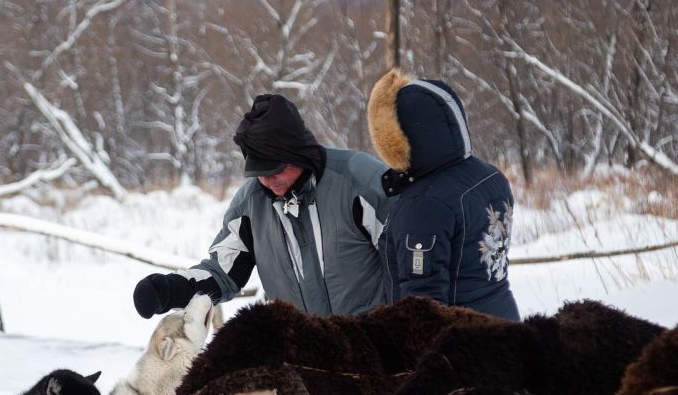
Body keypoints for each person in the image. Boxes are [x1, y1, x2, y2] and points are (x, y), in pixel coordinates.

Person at [133, 94, 393, 319]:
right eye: (258, 172)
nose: (267, 180)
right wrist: (169, 289)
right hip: (300, 354)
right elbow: (223, 272)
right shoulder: (250, 204)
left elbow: (408, 264)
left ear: (298, 153)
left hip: (369, 352)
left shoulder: (359, 182)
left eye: (274, 169)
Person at [367, 69, 520, 320]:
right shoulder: (491, 176)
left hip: (462, 344)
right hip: (504, 324)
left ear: (400, 137)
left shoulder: (424, 205)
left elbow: (423, 305)